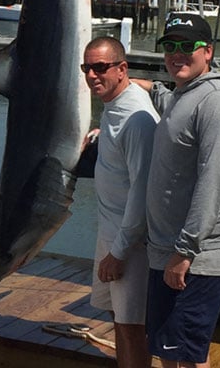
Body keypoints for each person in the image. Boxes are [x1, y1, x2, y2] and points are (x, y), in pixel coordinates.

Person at [133, 12, 220, 368]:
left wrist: (185, 252)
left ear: (208, 51)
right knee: (168, 350)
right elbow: (169, 105)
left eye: (187, 46)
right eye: (170, 46)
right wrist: (134, 84)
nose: (176, 54)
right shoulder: (183, 95)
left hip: (197, 256)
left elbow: (214, 181)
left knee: (191, 356)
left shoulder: (218, 103)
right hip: (166, 248)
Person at [82, 36, 158, 368]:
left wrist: (119, 252)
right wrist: (100, 136)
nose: (92, 76)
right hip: (109, 230)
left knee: (132, 329)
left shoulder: (138, 117)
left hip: (131, 243)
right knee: (117, 319)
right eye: (87, 68)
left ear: (122, 68)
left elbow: (143, 192)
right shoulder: (116, 103)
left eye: (100, 67)